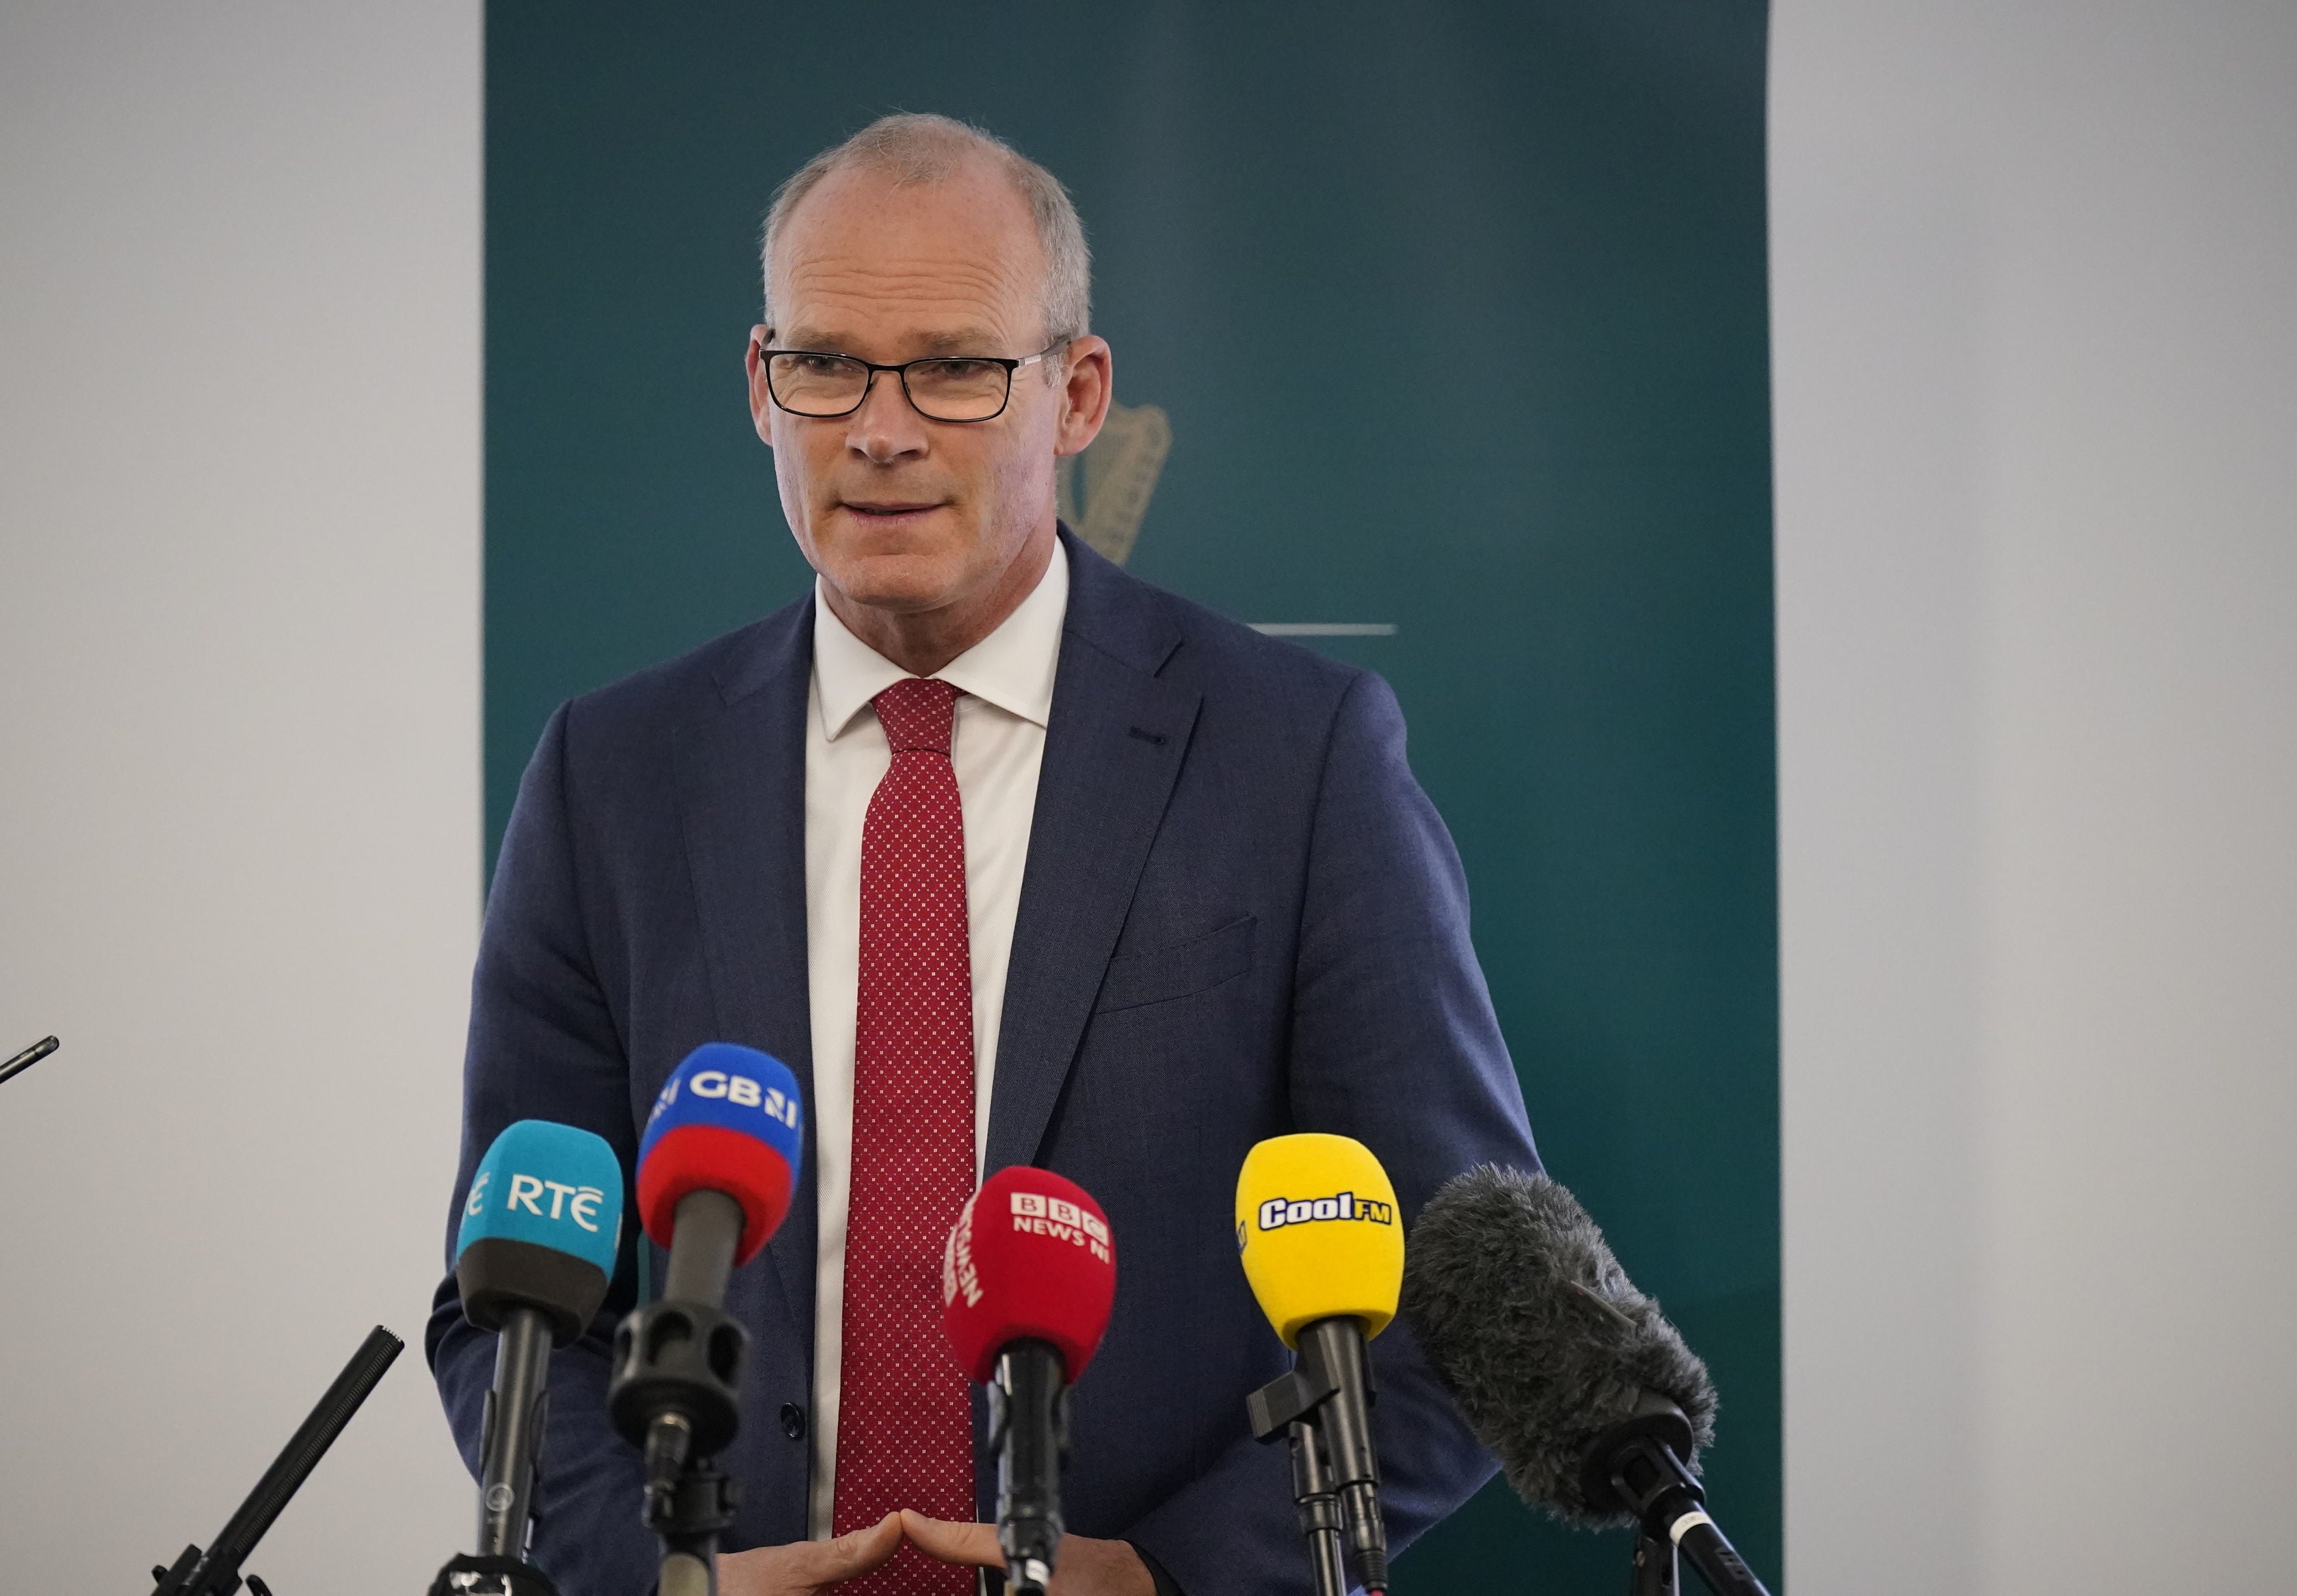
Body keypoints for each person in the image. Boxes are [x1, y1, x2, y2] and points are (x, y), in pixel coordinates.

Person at [428, 113, 1540, 1596]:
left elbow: (1470, 1304)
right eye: (824, 364)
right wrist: (658, 1580)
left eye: (954, 368)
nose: (879, 429)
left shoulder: (1297, 755)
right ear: (762, 388)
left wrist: (1170, 1579)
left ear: (1076, 394)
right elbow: (509, 1313)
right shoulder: (611, 777)